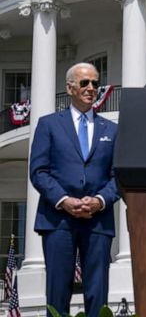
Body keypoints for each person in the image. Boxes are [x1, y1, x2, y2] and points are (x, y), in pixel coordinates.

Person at [30, 63, 120, 317]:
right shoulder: (48, 124)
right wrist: (65, 200)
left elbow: (118, 176)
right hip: (58, 219)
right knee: (57, 292)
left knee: (97, 291)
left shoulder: (111, 129)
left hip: (97, 220)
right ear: (69, 88)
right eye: (84, 83)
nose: (91, 88)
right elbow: (39, 171)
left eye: (95, 83)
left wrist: (100, 200)